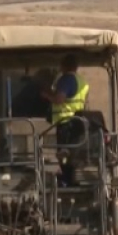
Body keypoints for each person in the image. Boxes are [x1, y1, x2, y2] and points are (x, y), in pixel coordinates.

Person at [39, 54, 89, 187]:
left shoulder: (66, 80)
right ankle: (70, 179)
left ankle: (66, 180)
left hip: (65, 121)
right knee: (71, 153)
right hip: (77, 122)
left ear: (63, 66)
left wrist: (47, 95)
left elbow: (59, 99)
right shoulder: (81, 80)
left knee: (63, 153)